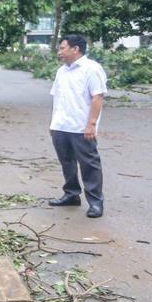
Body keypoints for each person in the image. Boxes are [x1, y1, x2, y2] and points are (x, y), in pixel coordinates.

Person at [48, 35, 107, 218]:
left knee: (89, 164)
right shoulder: (61, 71)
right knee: (67, 162)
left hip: (81, 127)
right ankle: (71, 194)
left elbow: (98, 97)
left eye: (63, 48)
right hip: (61, 125)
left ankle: (96, 202)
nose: (60, 52)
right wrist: (53, 123)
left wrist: (91, 124)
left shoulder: (92, 69)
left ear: (75, 49)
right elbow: (57, 98)